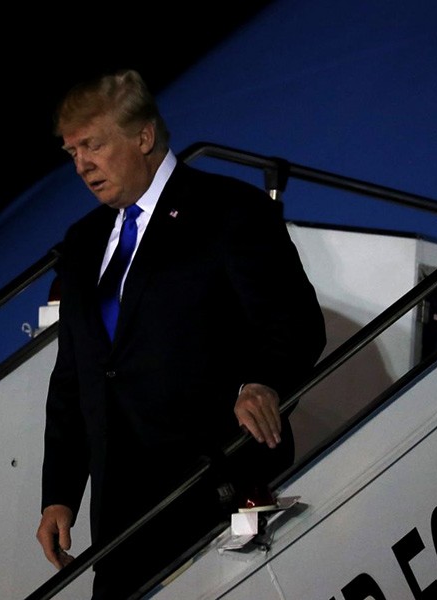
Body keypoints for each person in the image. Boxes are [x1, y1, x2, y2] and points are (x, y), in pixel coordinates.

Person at [35, 68, 326, 599]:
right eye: (71, 151)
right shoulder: (81, 243)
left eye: (93, 145)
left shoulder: (228, 210)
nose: (81, 165)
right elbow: (74, 379)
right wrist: (59, 494)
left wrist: (262, 382)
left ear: (143, 137)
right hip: (122, 520)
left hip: (214, 494)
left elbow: (295, 323)